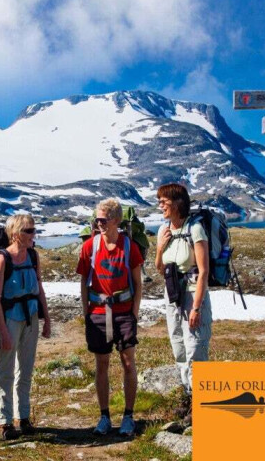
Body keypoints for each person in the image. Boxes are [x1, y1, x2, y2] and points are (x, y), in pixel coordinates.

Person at [77, 198, 143, 438]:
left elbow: (137, 283)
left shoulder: (130, 247)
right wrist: (86, 311)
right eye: (97, 219)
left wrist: (134, 314)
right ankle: (104, 416)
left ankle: (128, 416)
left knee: (128, 363)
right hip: (97, 313)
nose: (99, 223)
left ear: (116, 220)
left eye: (103, 219)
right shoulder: (90, 247)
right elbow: (84, 281)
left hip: (124, 312)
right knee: (101, 364)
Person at [0, 214, 51, 439]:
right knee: (5, 370)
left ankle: (22, 417)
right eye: (28, 230)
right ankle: (4, 421)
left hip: (31, 317)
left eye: (33, 230)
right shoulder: (3, 258)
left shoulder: (33, 256)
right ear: (15, 233)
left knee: (25, 368)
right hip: (9, 319)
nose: (33, 234)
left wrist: (47, 319)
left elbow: (40, 288)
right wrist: (3, 332)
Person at [155, 182, 212, 399]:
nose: (160, 206)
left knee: (195, 346)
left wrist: (196, 308)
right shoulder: (164, 230)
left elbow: (203, 272)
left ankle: (201, 399)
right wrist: (160, 247)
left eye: (164, 201)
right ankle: (189, 396)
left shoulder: (195, 229)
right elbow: (160, 269)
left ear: (178, 202)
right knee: (178, 345)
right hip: (172, 295)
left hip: (192, 295)